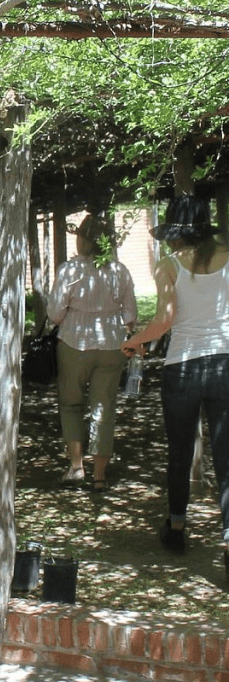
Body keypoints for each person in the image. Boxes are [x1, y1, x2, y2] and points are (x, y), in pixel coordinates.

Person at [122, 195, 229, 571]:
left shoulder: (168, 264)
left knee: (179, 452)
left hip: (182, 366)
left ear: (176, 233)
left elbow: (164, 320)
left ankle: (177, 526)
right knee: (226, 456)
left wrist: (134, 342)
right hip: (225, 365)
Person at [47, 213, 137, 490]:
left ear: (83, 240)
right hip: (112, 346)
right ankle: (99, 475)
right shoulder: (120, 271)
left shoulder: (70, 270)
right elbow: (131, 315)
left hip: (74, 343)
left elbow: (54, 314)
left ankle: (76, 467)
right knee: (104, 407)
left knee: (71, 404)